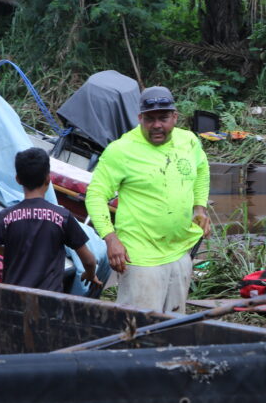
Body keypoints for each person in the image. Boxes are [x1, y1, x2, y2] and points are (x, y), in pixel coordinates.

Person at [85, 85, 210, 312]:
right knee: (139, 328)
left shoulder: (189, 141)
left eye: (163, 118)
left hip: (180, 251)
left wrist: (199, 207)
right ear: (140, 118)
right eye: (149, 119)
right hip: (140, 257)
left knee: (174, 324)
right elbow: (95, 195)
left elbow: (202, 169)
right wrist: (110, 238)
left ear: (175, 116)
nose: (156, 126)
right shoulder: (121, 150)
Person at [0, 147, 101, 292]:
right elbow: (89, 260)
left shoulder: (5, 217)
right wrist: (89, 274)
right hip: (48, 304)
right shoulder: (62, 217)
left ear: (18, 179)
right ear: (48, 178)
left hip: (12, 300)